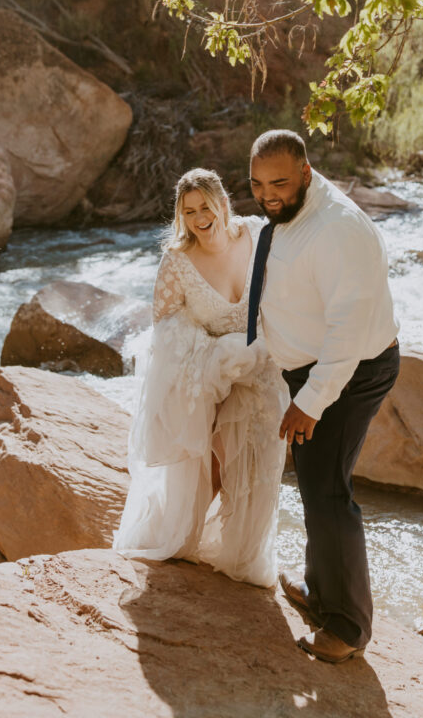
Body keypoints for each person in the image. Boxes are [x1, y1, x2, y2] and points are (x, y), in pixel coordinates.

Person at [247, 130, 400, 662]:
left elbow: (347, 334)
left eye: (280, 183)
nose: (268, 195)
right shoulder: (294, 213)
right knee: (315, 484)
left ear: (306, 173)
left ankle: (347, 628)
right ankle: (321, 592)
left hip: (347, 372)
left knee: (329, 492)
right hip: (314, 369)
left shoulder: (338, 230)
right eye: (258, 183)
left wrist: (311, 400)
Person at [114, 168, 288, 587]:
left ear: (223, 203)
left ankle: (241, 555)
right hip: (209, 369)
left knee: (256, 462)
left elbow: (286, 289)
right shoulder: (178, 261)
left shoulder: (256, 235)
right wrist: (215, 356)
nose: (199, 219)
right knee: (210, 461)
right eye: (189, 212)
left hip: (262, 365)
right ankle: (182, 539)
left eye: (205, 207)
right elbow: (165, 324)